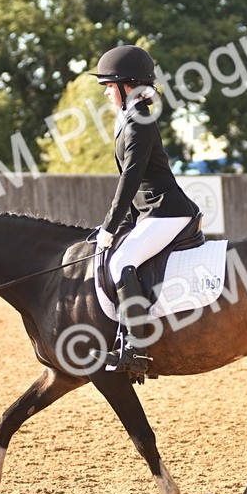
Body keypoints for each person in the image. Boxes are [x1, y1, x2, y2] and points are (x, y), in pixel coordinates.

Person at [91, 45, 200, 376]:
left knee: (122, 261)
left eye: (110, 86)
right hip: (149, 213)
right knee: (116, 257)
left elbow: (131, 180)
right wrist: (116, 225)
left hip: (168, 211)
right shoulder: (127, 120)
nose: (107, 92)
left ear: (127, 86)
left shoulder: (139, 122)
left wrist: (110, 227)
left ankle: (137, 348)